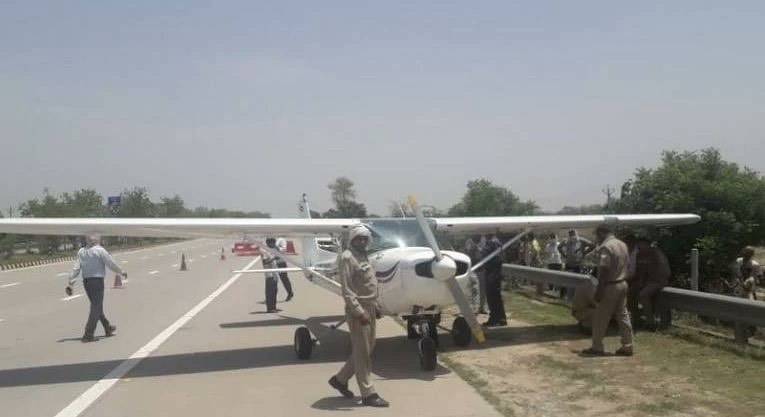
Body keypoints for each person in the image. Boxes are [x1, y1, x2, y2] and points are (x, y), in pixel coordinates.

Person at [328, 225, 389, 407]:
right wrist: (359, 312)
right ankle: (368, 394)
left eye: (365, 238)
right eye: (358, 238)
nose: (362, 241)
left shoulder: (363, 255)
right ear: (352, 239)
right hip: (359, 310)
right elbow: (347, 290)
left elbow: (368, 283)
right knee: (363, 353)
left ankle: (340, 380)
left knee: (366, 349)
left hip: (369, 306)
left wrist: (375, 306)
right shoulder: (347, 257)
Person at [581, 224, 634, 356]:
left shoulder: (606, 247)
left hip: (610, 285)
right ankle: (628, 345)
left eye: (597, 235)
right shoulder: (622, 244)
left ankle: (597, 347)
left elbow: (604, 269)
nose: (596, 238)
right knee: (623, 316)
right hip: (623, 283)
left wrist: (600, 289)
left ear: (601, 233)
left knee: (600, 317)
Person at [65, 235, 125, 343]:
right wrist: (121, 271)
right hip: (97, 281)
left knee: (96, 306)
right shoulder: (100, 250)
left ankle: (107, 328)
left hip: (87, 282)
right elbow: (110, 263)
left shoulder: (81, 251)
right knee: (96, 307)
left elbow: (76, 268)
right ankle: (88, 334)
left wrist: (71, 282)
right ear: (97, 240)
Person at [628, 239, 671, 330]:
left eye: (642, 245)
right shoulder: (639, 255)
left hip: (658, 280)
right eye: (639, 245)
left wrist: (653, 280)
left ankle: (650, 322)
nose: (640, 247)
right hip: (646, 281)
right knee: (630, 292)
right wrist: (640, 282)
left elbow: (665, 271)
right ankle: (636, 318)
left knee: (643, 295)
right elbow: (641, 270)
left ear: (647, 244)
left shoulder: (656, 253)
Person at [481, 233, 507, 327]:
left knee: (493, 298)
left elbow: (486, 255)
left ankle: (494, 319)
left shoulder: (492, 244)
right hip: (494, 273)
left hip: (492, 274)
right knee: (496, 297)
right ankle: (501, 318)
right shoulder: (496, 243)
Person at [464, 235, 487, 314]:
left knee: (483, 290)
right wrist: (474, 247)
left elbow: (484, 253)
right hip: (473, 269)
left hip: (482, 269)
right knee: (474, 289)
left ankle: (482, 308)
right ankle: (474, 308)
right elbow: (468, 252)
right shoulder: (469, 242)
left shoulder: (483, 240)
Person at [262, 238, 279, 313]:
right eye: (273, 243)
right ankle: (270, 308)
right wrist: (274, 258)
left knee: (275, 291)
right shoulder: (265, 251)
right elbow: (265, 262)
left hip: (275, 274)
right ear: (269, 243)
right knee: (270, 292)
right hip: (269, 275)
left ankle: (274, 307)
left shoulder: (272, 250)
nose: (274, 244)